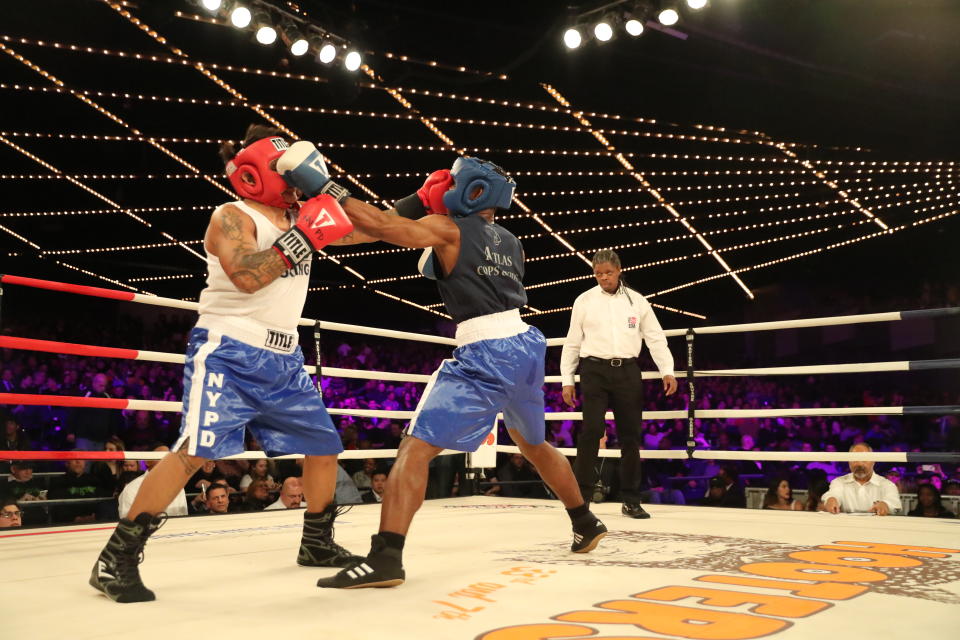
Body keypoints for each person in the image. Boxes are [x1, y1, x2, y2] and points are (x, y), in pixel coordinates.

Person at [278, 148, 607, 588]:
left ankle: (386, 557)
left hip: (486, 349)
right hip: (526, 345)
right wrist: (420, 203)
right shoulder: (511, 241)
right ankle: (585, 521)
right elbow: (437, 261)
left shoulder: (449, 227)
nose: (446, 190)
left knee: (414, 450)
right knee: (532, 443)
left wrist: (324, 186)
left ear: (471, 191)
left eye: (453, 184)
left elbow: (380, 227)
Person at [89, 124, 376, 603]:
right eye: (288, 175)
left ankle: (317, 543)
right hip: (229, 349)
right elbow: (246, 275)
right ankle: (114, 558)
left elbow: (371, 230)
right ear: (256, 175)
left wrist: (424, 207)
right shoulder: (232, 215)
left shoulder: (300, 217)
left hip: (285, 357)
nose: (293, 185)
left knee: (324, 446)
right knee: (196, 451)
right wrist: (307, 231)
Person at [560, 249, 677, 519]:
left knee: (630, 436)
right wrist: (568, 379)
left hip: (627, 370)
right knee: (590, 432)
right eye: (598, 274)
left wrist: (667, 370)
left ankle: (631, 500)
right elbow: (573, 341)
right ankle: (582, 500)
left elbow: (655, 337)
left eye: (608, 273)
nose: (603, 278)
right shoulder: (584, 300)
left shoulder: (637, 301)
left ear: (619, 270)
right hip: (593, 370)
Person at [821, 443, 902, 515]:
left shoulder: (887, 484)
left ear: (873, 461)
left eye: (864, 459)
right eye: (855, 459)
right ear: (849, 461)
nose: (859, 464)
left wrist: (886, 505)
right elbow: (833, 494)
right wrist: (831, 500)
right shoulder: (839, 482)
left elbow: (894, 503)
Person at [117, 446, 188, 520]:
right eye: (162, 457)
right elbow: (127, 522)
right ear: (148, 461)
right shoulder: (131, 489)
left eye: (169, 457)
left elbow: (183, 517)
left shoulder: (178, 486)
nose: (168, 461)